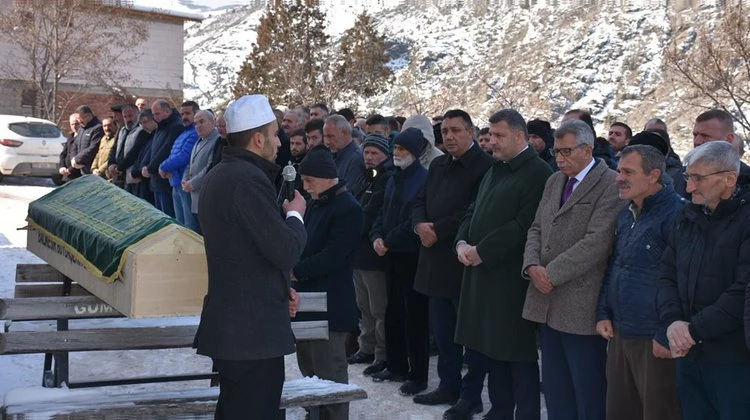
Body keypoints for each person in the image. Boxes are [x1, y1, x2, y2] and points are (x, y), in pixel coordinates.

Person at [193, 94, 307, 420]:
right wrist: (296, 215)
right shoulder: (246, 179)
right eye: (273, 133)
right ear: (258, 139)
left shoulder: (224, 173)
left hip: (241, 329)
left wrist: (280, 291)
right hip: (249, 334)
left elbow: (244, 252)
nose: (278, 140)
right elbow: (284, 249)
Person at [452, 109, 551, 420]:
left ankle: (526, 414)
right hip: (481, 273)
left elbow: (525, 225)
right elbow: (473, 210)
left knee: (515, 353)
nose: (491, 142)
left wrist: (484, 250)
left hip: (509, 278)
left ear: (520, 137)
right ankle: (500, 410)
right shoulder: (496, 168)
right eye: (491, 135)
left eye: (499, 136)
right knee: (488, 348)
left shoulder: (538, 173)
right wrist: (462, 242)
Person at [522, 119, 625, 420]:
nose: (560, 158)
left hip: (581, 302)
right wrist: (531, 266)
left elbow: (598, 242)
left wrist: (549, 273)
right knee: (555, 387)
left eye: (567, 151)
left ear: (587, 149)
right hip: (546, 299)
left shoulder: (609, 183)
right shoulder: (555, 180)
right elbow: (536, 227)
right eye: (556, 151)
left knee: (587, 387)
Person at [657, 141, 750, 420]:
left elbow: (742, 290)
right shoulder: (688, 215)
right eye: (688, 177)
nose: (689, 187)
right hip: (688, 353)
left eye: (699, 178)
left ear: (729, 179)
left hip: (733, 358)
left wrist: (692, 330)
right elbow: (665, 274)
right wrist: (673, 322)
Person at [410, 109, 494, 415]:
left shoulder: (485, 167)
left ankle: (471, 395)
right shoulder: (438, 164)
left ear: (471, 132)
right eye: (445, 131)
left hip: (463, 263)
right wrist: (420, 225)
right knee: (444, 335)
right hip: (434, 261)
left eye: (456, 130)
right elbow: (419, 201)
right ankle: (448, 386)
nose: (449, 136)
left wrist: (438, 230)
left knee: (470, 337)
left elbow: (474, 212)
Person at [596, 145, 683, 420]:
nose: (619, 177)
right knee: (620, 412)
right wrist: (603, 312)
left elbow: (683, 280)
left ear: (654, 175)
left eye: (628, 172)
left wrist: (664, 333)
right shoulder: (626, 213)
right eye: (619, 170)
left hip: (655, 340)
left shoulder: (678, 216)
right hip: (621, 334)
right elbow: (614, 265)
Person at [292, 145, 364, 420]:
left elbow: (335, 255)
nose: (305, 186)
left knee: (330, 373)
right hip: (306, 301)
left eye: (308, 180)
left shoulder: (348, 208)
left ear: (324, 177)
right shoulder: (315, 203)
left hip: (331, 304)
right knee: (308, 367)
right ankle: (315, 413)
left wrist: (296, 270)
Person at [369, 128, 429, 396]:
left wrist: (390, 239)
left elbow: (414, 218)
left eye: (403, 150)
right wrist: (377, 236)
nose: (397, 153)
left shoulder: (424, 179)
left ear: (415, 153)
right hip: (391, 252)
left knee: (414, 316)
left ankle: (418, 374)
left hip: (412, 255)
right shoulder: (393, 178)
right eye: (396, 148)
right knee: (392, 310)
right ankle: (396, 365)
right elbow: (383, 211)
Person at [349, 134, 395, 376]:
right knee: (363, 306)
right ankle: (365, 347)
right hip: (359, 253)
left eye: (374, 153)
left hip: (375, 256)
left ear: (385, 154)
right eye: (366, 152)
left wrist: (353, 225)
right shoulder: (367, 177)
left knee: (379, 309)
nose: (369, 157)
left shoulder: (387, 179)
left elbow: (369, 214)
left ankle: (382, 354)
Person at [674, 109, 750, 198]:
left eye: (705, 136)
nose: (697, 141)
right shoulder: (683, 175)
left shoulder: (746, 179)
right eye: (695, 135)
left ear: (728, 139)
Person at [159, 101, 200, 231]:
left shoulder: (195, 133)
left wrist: (163, 167)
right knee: (180, 225)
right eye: (182, 114)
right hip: (176, 183)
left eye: (188, 113)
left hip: (186, 185)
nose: (184, 117)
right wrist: (168, 170)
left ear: (196, 113)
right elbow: (173, 155)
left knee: (189, 227)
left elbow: (184, 156)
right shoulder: (183, 134)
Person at [141, 100, 184, 217]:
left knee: (168, 216)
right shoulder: (160, 127)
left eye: (157, 114)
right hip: (156, 180)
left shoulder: (176, 126)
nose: (155, 117)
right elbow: (151, 149)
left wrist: (150, 168)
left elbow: (165, 150)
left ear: (167, 111)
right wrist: (144, 165)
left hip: (165, 179)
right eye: (154, 114)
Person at [183, 110, 221, 230]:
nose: (198, 126)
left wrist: (193, 183)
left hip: (207, 196)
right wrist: (185, 180)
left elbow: (210, 166)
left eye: (201, 122)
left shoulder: (217, 140)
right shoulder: (198, 141)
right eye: (196, 123)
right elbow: (190, 164)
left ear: (212, 122)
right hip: (194, 197)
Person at [324, 114, 365, 192]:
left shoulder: (356, 159)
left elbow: (349, 193)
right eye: (325, 136)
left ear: (345, 133)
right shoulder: (330, 155)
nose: (327, 141)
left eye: (330, 136)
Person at [70, 105, 104, 174]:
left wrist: (77, 159)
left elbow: (93, 148)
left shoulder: (98, 128)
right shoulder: (81, 129)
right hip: (81, 169)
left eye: (80, 118)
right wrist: (73, 159)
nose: (79, 121)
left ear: (88, 116)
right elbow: (75, 145)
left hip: (92, 169)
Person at [59, 113, 81, 181]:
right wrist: (62, 167)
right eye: (72, 124)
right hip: (67, 174)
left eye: (76, 124)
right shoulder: (70, 137)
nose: (74, 126)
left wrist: (70, 170)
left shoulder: (82, 137)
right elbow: (63, 154)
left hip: (76, 174)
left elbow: (80, 156)